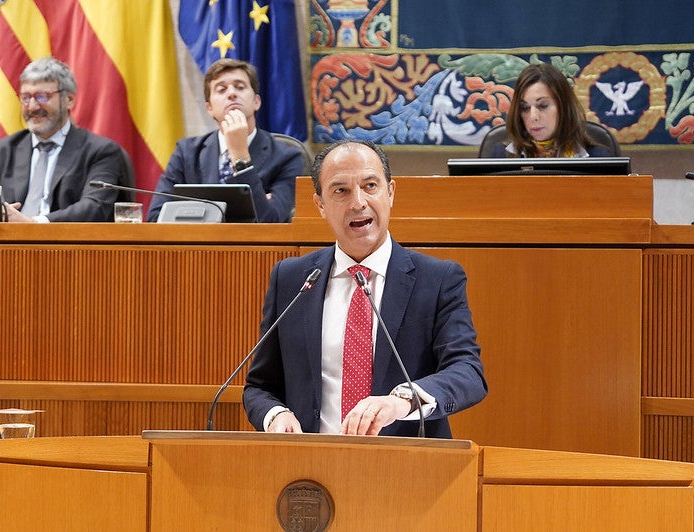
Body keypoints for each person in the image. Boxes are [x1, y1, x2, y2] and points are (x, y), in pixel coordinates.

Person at [243, 139, 487, 438]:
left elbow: (468, 373)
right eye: (340, 191)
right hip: (312, 473)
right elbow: (260, 387)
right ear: (320, 205)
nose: (357, 202)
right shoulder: (293, 280)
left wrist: (402, 401)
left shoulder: (437, 280)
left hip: (408, 469)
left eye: (370, 185)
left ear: (391, 193)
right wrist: (276, 415)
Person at [146, 58, 304, 223]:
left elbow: (272, 222)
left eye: (240, 87)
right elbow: (156, 218)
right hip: (199, 248)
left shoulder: (287, 157)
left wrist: (240, 157)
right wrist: (258, 200)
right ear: (210, 108)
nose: (231, 93)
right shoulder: (186, 153)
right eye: (221, 89)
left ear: (256, 102)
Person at [0, 57, 127, 222]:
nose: (33, 106)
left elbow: (94, 207)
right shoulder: (3, 151)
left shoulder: (100, 151)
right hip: (7, 245)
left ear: (69, 100)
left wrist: (34, 224)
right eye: (26, 97)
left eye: (42, 97)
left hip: (67, 245)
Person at [492, 63, 614, 158]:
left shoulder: (598, 158)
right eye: (525, 108)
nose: (533, 116)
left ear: (564, 107)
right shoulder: (501, 156)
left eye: (543, 105)